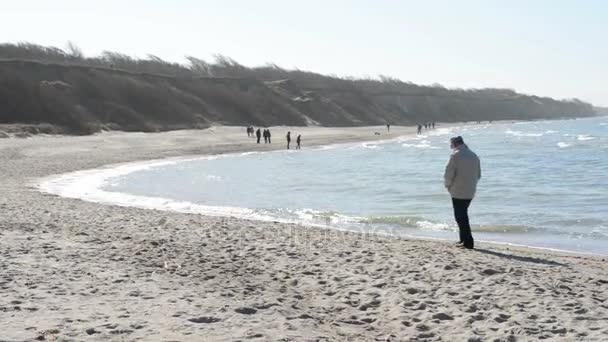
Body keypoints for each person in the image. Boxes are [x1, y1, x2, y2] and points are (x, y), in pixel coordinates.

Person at [444, 136, 481, 249]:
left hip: (457, 190)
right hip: (470, 190)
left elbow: (448, 174)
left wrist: (448, 186)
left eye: (451, 144)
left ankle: (468, 241)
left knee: (460, 216)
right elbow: (478, 175)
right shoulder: (474, 156)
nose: (450, 147)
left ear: (455, 144)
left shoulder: (455, 156)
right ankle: (463, 239)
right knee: (462, 214)